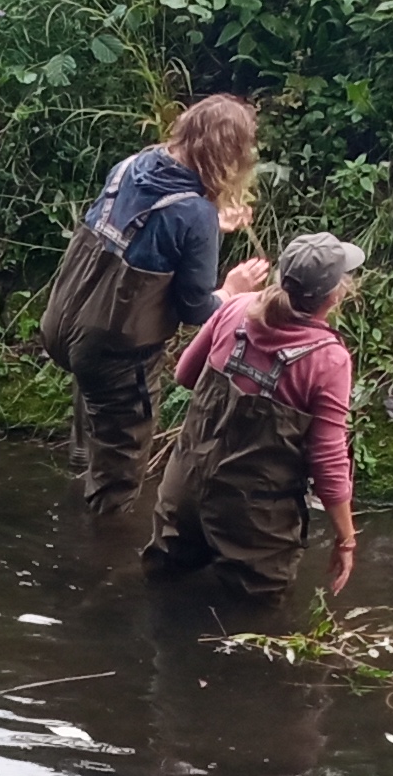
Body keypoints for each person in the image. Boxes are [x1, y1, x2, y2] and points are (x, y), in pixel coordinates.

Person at [60, 96, 261, 509]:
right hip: (113, 354)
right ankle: (95, 554)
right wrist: (233, 289)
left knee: (93, 402)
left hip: (64, 322)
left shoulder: (132, 165)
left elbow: (147, 233)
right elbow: (196, 311)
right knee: (118, 477)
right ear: (230, 154)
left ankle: (79, 474)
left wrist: (213, 222)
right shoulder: (195, 215)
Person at [144, 229, 360, 605]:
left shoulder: (235, 307)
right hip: (254, 518)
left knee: (161, 589)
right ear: (333, 295)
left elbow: (184, 376)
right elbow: (328, 464)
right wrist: (346, 538)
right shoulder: (329, 360)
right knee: (249, 621)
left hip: (184, 490)